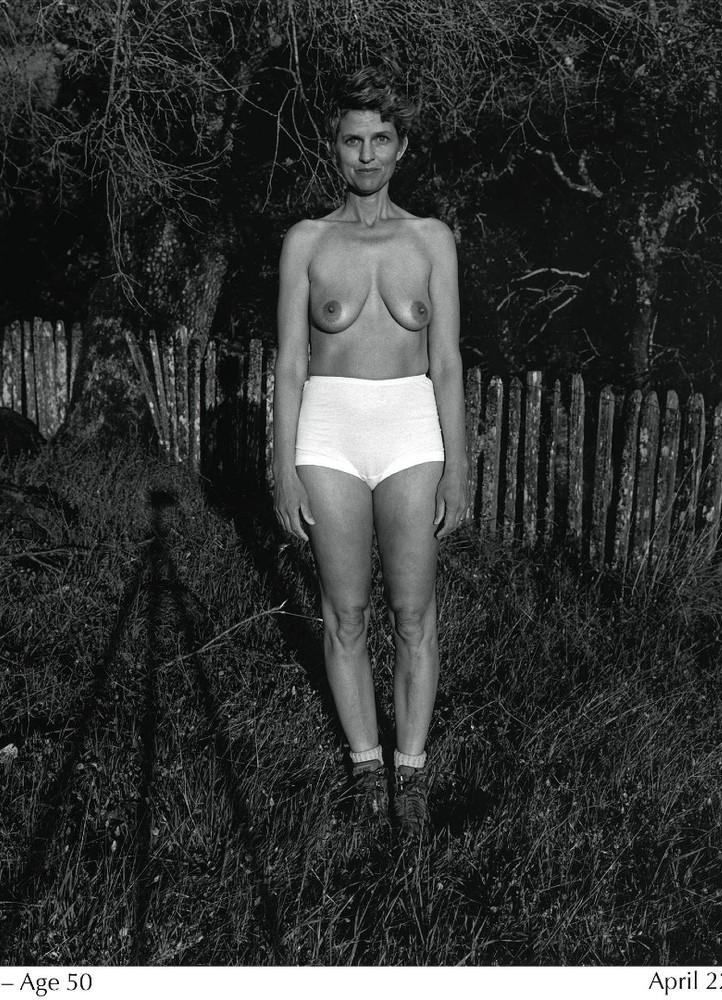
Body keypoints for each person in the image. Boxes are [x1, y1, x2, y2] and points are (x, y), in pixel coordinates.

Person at [271, 67, 468, 838]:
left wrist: (458, 467)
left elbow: (446, 361)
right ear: (334, 147)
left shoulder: (431, 240)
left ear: (401, 147)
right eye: (353, 140)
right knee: (345, 611)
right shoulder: (307, 242)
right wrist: (283, 469)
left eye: (380, 139)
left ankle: (410, 774)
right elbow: (291, 364)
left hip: (410, 427)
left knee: (414, 611)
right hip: (328, 430)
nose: (366, 154)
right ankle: (364, 764)